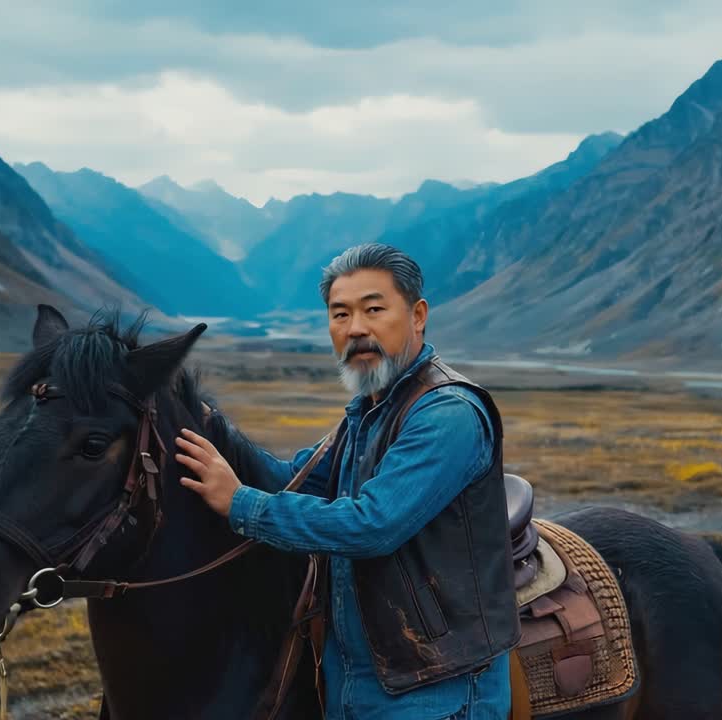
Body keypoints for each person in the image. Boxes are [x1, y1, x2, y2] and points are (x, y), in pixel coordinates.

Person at [174, 243, 520, 719]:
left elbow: (372, 524)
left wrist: (240, 504)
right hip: (358, 681)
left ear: (418, 316)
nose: (356, 328)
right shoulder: (370, 411)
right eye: (340, 314)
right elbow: (294, 480)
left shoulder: (447, 413)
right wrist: (215, 431)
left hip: (435, 690)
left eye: (373, 310)